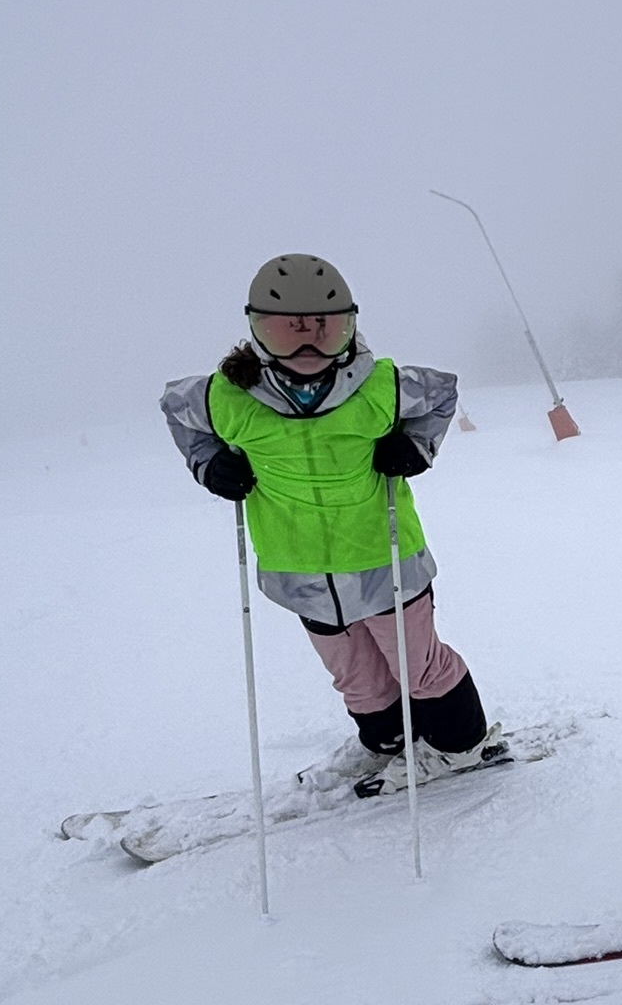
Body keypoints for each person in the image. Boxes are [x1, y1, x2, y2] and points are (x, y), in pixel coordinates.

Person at [162, 253, 495, 787]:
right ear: (256, 332)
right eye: (287, 332)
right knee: (356, 677)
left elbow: (440, 392)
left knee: (418, 667)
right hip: (299, 570)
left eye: (326, 329)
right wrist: (208, 462)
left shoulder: (379, 386)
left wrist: (415, 445)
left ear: (350, 326)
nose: (309, 350)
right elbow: (176, 408)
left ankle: (461, 746)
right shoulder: (227, 398)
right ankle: (387, 743)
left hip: (383, 558)